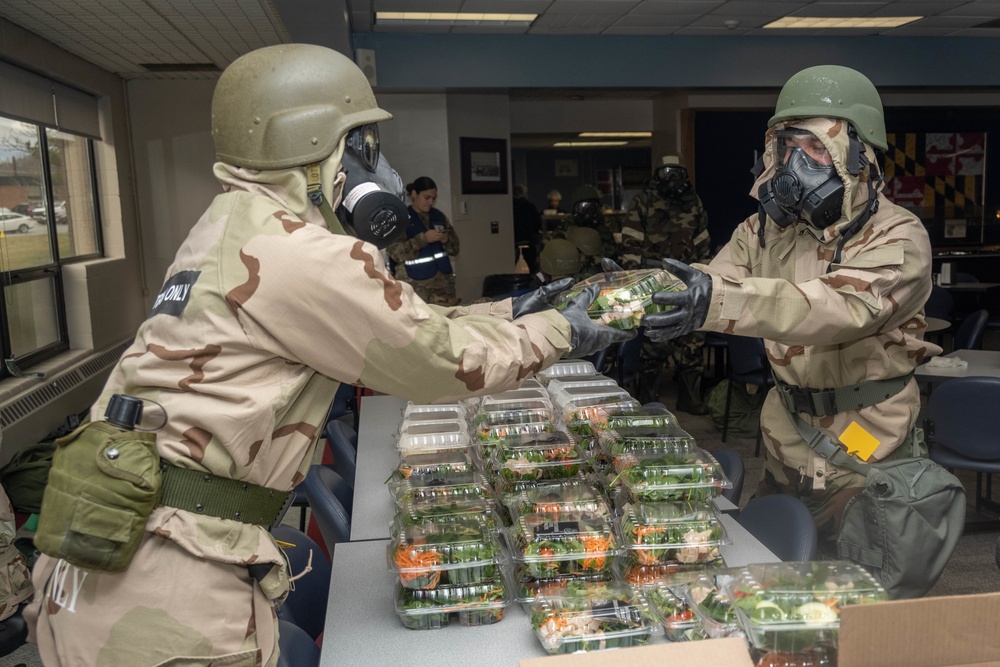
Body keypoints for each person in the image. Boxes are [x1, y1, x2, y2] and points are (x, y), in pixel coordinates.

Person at [25, 44, 632, 667]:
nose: (379, 169)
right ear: (317, 148)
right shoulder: (302, 252)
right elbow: (444, 364)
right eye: (365, 146)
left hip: (114, 551)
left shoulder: (235, 222)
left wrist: (525, 308)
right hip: (166, 586)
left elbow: (410, 324)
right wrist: (567, 332)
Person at [639, 65, 941, 552]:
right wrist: (624, 294)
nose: (798, 164)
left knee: (859, 596)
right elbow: (713, 280)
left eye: (818, 148)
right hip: (786, 434)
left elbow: (840, 308)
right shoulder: (764, 231)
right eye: (789, 148)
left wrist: (713, 301)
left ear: (859, 155)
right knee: (769, 568)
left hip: (864, 443)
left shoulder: (898, 236)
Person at [621, 155, 712, 413]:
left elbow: (703, 241)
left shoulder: (693, 202)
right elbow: (630, 242)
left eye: (677, 173)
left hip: (686, 278)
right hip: (653, 278)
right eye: (666, 173)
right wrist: (632, 280)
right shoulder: (644, 201)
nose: (672, 179)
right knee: (654, 338)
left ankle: (690, 396)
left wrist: (706, 275)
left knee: (692, 337)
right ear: (657, 175)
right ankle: (649, 396)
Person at [386, 176, 461, 306]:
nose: (430, 202)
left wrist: (446, 240)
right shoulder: (402, 219)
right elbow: (394, 252)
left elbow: (455, 249)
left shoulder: (439, 217)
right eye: (427, 198)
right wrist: (422, 239)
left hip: (444, 288)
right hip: (416, 287)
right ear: (414, 194)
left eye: (433, 198)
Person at [512, 184, 542, 273]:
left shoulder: (509, 207)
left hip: (514, 241)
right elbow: (537, 225)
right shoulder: (530, 206)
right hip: (528, 241)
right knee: (530, 268)